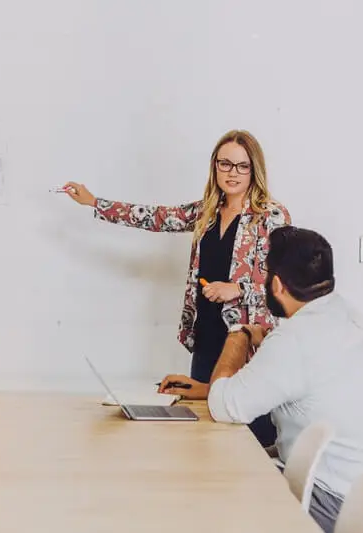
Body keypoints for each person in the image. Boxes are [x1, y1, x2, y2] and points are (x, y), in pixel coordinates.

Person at [64, 129, 291, 446]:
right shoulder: (206, 211)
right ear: (215, 166)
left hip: (245, 341)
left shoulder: (271, 217)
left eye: (242, 166)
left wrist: (237, 289)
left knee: (246, 433)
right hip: (206, 333)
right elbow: (156, 218)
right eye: (225, 164)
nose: (233, 173)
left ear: (254, 170)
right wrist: (94, 202)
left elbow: (284, 285)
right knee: (203, 431)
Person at [206, 225, 363, 533]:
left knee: (219, 488)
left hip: (348, 502)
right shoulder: (349, 317)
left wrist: (238, 334)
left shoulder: (294, 340)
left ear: (277, 284)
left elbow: (222, 406)